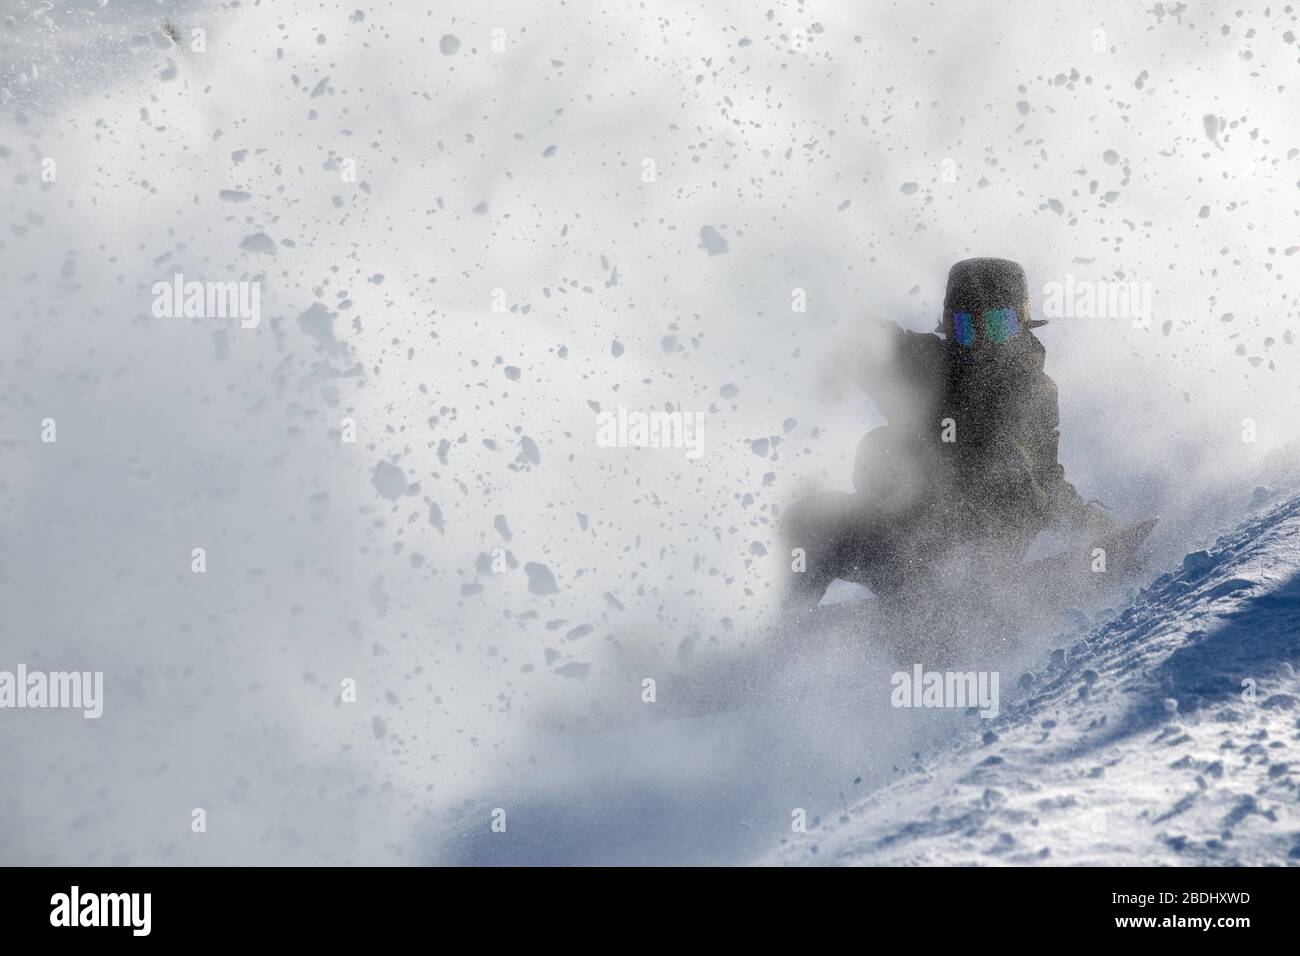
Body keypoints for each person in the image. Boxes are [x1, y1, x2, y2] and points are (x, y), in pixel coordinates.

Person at [782, 257, 1113, 610]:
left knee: (1010, 464)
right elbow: (858, 336)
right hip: (907, 551)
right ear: (952, 331)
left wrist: (1083, 520)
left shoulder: (1037, 392)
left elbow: (1046, 475)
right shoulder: (925, 366)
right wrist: (807, 296)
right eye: (968, 329)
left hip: (984, 553)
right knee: (810, 517)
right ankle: (791, 625)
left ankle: (967, 588)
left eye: (998, 325)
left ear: (1021, 326)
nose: (985, 343)